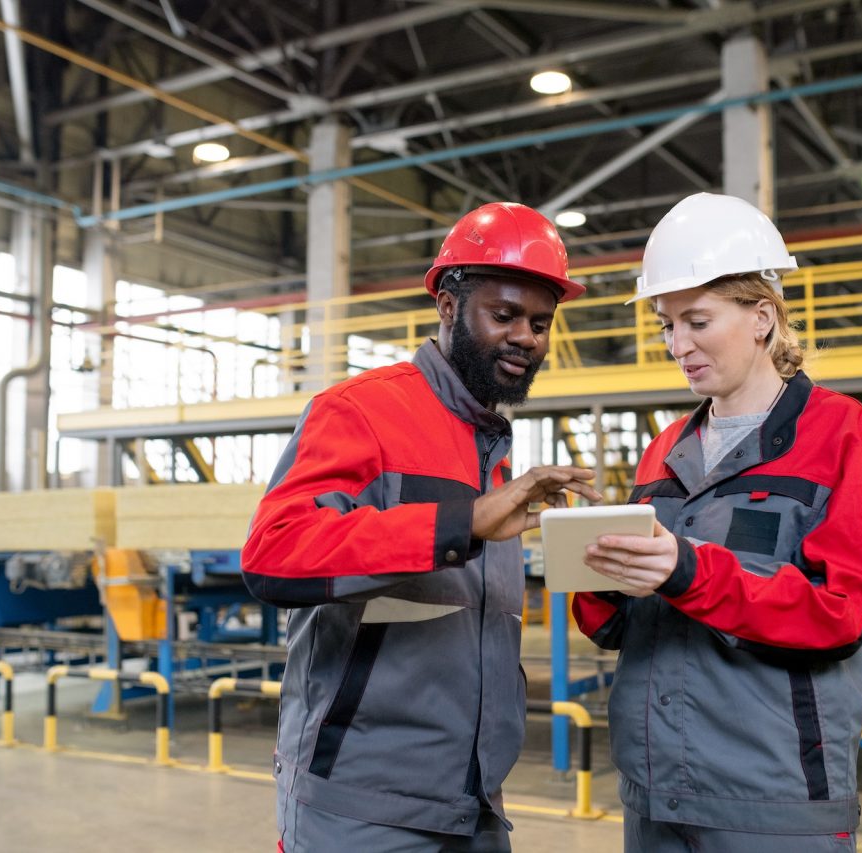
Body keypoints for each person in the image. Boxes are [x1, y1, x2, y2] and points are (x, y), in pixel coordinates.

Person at [242, 202, 602, 852]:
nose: (527, 336)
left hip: (473, 801)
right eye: (505, 315)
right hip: (362, 805)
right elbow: (275, 552)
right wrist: (462, 521)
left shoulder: (489, 445)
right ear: (447, 304)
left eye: (542, 323)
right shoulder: (360, 413)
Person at [573, 192, 862, 853]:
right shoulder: (666, 446)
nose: (676, 344)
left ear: (762, 317)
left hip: (771, 801)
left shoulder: (838, 432)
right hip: (657, 790)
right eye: (666, 324)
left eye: (696, 320)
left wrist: (687, 569)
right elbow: (620, 629)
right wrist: (597, 571)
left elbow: (840, 615)